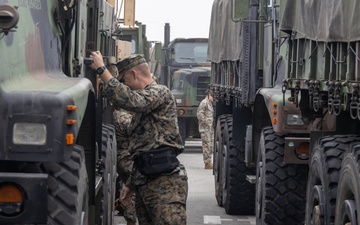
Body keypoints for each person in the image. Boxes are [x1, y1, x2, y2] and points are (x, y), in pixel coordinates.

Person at [90, 51, 188, 225]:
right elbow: (143, 151)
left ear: (134, 74)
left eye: (125, 80)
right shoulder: (141, 112)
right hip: (146, 184)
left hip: (165, 186)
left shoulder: (160, 93)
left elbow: (131, 100)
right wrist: (130, 185)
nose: (126, 85)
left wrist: (102, 70)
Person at [197, 89, 214, 169]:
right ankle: (207, 163)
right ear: (208, 95)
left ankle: (209, 161)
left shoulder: (209, 103)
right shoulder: (204, 103)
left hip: (209, 129)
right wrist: (206, 123)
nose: (213, 98)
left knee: (209, 145)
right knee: (206, 145)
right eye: (212, 96)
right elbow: (200, 114)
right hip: (205, 129)